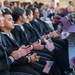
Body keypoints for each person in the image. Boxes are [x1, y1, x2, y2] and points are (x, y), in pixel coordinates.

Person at [0, 9, 34, 75]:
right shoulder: (13, 31)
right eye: (0, 16)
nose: (3, 19)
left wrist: (22, 53)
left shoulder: (3, 35)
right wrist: (28, 59)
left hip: (10, 66)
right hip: (11, 67)